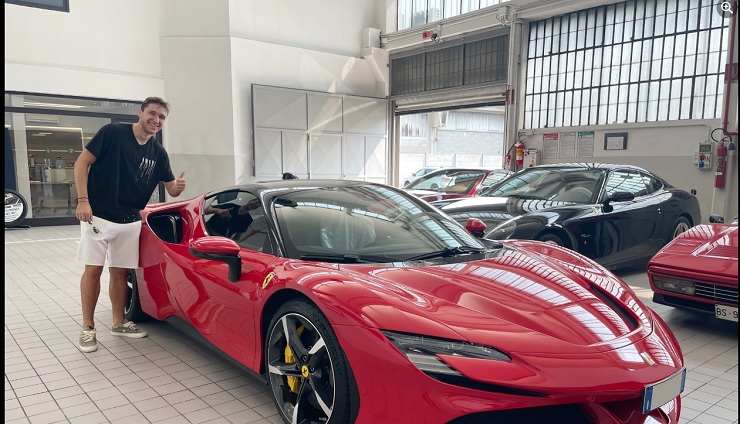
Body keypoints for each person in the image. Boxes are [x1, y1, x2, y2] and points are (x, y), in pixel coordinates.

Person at [73, 96, 186, 353]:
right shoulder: (113, 133)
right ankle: (88, 328)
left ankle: (118, 322)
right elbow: (81, 163)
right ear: (141, 112)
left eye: (162, 117)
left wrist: (176, 188)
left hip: (130, 219)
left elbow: (171, 188)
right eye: (153, 114)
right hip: (98, 216)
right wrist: (82, 201)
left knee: (121, 272)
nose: (156, 120)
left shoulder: (158, 153)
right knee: (93, 270)